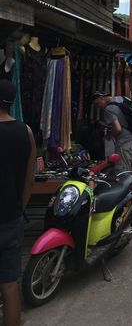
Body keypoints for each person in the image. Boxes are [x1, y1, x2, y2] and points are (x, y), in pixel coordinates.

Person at [0, 79, 36, 326]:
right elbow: (29, 178)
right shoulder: (26, 132)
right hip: (11, 217)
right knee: (10, 284)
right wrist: (20, 209)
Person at [91, 92, 132, 216]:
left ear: (101, 98)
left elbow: (117, 128)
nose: (97, 106)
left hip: (125, 143)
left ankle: (127, 208)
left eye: (97, 103)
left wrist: (110, 136)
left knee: (123, 174)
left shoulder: (108, 109)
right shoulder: (122, 99)